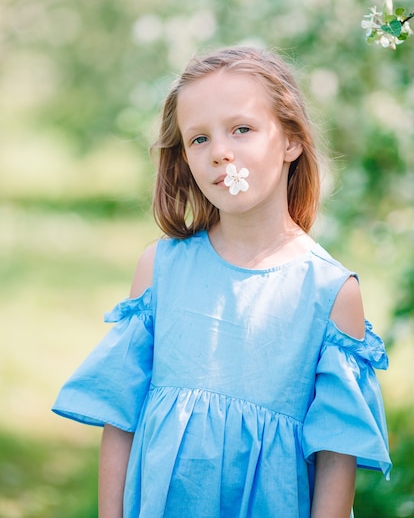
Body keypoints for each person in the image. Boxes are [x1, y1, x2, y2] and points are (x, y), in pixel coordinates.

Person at [52, 46, 391, 518]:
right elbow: (120, 420)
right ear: (185, 158)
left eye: (242, 129)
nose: (221, 153)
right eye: (199, 139)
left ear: (291, 140)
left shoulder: (330, 292)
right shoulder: (160, 268)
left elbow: (337, 459)